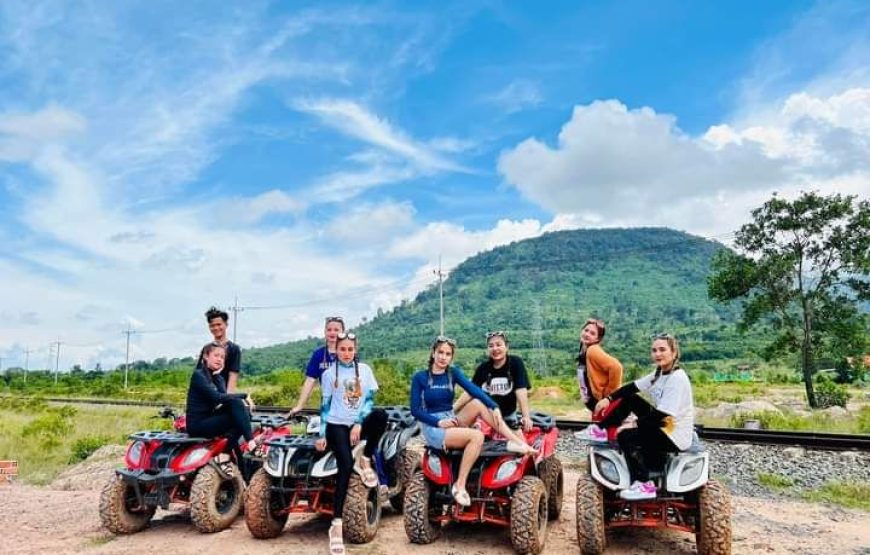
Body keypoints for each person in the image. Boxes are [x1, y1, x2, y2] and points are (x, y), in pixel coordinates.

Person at [410, 336, 537, 508]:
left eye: (448, 354)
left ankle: (517, 442)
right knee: (477, 436)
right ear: (433, 353)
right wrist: (438, 423)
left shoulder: (452, 373)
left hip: (450, 418)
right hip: (434, 427)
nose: (443, 357)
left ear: (451, 357)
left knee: (477, 403)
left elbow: (475, 391)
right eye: (440, 352)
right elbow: (415, 410)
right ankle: (460, 485)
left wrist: (494, 407)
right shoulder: (420, 377)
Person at [593, 333, 694, 500]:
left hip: (673, 434)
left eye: (662, 350)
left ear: (674, 353)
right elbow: (632, 387)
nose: (657, 354)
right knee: (630, 399)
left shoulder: (677, 379)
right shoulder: (659, 374)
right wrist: (608, 399)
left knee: (626, 436)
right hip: (664, 424)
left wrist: (633, 425)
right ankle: (600, 430)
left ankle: (644, 483)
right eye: (654, 350)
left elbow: (661, 415)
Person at [314, 331, 386, 555]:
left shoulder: (364, 370)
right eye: (342, 349)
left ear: (355, 350)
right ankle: (336, 525)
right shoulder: (328, 374)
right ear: (336, 349)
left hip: (357, 423)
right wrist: (322, 433)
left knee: (381, 416)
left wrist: (358, 422)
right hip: (336, 425)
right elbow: (325, 406)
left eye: (350, 349)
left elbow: (369, 400)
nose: (346, 353)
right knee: (344, 465)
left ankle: (365, 458)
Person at [185, 342, 260, 458]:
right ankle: (243, 445)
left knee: (241, 411)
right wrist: (244, 396)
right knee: (238, 411)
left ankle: (231, 449)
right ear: (206, 356)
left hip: (209, 419)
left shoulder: (216, 377)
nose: (219, 359)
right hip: (197, 425)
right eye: (216, 355)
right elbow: (217, 397)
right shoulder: (198, 375)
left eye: (222, 357)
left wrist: (217, 376)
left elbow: (226, 399)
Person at [454, 331, 534, 432]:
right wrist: (453, 409)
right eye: (491, 346)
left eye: (498, 345)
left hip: (508, 415)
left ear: (507, 346)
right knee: (472, 410)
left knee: (517, 441)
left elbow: (521, 391)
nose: (495, 349)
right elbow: (470, 392)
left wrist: (526, 417)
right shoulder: (482, 368)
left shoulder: (515, 363)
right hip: (486, 415)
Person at [573, 318, 624, 441]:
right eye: (586, 330)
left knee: (608, 436)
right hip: (596, 402)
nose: (587, 334)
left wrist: (609, 395)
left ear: (597, 339)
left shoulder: (593, 350)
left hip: (604, 402)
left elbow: (616, 367)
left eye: (592, 333)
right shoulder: (584, 351)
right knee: (605, 438)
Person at [290, 316, 345, 415]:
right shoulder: (318, 354)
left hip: (347, 402)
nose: (332, 333)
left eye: (336, 330)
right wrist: (299, 406)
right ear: (325, 332)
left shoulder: (348, 353)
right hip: (327, 403)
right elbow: (310, 381)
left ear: (343, 332)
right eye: (329, 330)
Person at [196, 307, 242, 393]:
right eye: (212, 325)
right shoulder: (206, 348)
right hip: (206, 394)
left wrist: (229, 399)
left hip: (222, 394)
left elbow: (233, 376)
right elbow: (200, 373)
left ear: (226, 325)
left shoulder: (234, 349)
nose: (216, 328)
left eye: (219, 324)